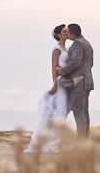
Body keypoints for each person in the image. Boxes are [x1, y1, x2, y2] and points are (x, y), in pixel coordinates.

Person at [25, 24, 72, 153]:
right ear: (59, 35)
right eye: (64, 31)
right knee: (60, 110)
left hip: (67, 82)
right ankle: (51, 144)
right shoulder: (56, 49)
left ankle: (55, 141)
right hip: (60, 82)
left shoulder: (67, 49)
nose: (66, 33)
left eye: (67, 31)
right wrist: (54, 84)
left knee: (65, 110)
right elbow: (53, 67)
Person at [57, 23, 94, 139]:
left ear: (72, 35)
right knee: (84, 111)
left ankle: (81, 141)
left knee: (79, 112)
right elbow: (90, 63)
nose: (66, 33)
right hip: (87, 80)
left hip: (79, 82)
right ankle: (84, 140)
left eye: (68, 32)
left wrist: (63, 71)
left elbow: (76, 62)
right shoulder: (87, 43)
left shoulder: (77, 44)